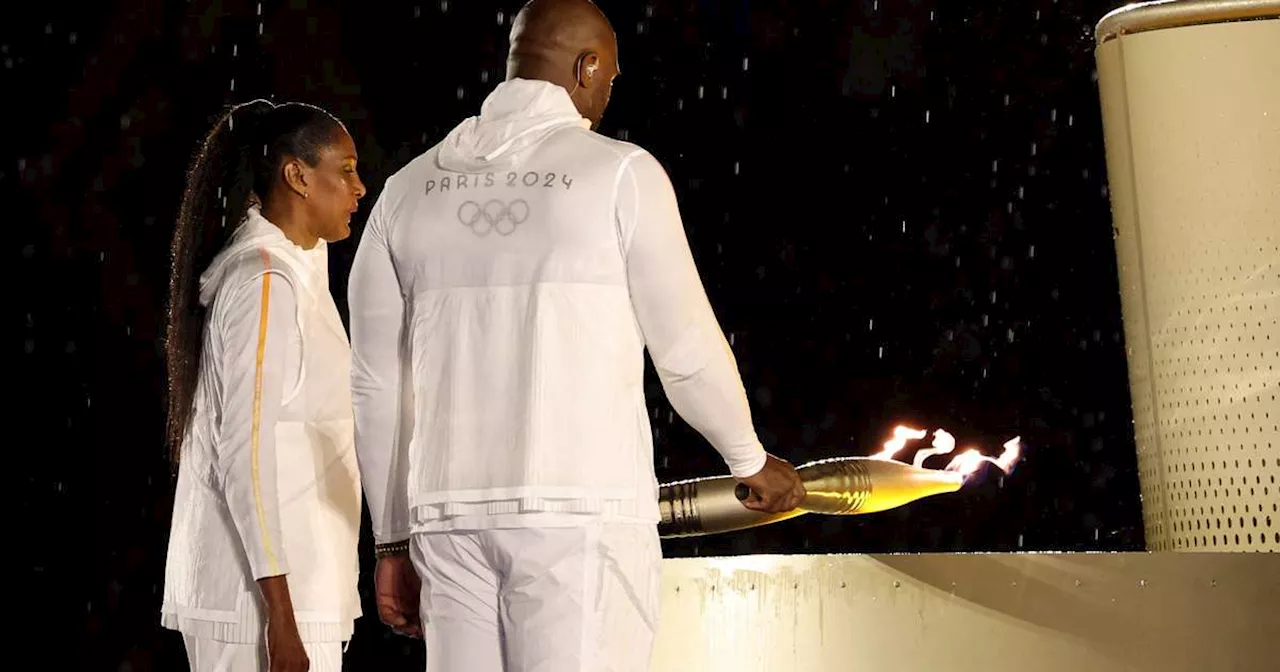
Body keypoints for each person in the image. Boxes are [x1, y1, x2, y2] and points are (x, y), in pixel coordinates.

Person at [348, 0, 806, 669]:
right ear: (587, 67)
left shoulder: (406, 191)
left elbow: (375, 383)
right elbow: (683, 349)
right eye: (610, 79)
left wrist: (392, 541)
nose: (605, 97)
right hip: (580, 517)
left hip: (448, 517)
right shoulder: (620, 173)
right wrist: (747, 457)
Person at [160, 98, 367, 672]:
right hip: (260, 606)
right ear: (297, 176)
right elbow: (245, 457)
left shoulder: (291, 272)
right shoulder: (264, 284)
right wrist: (281, 615)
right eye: (345, 169)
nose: (360, 187)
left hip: (291, 594)